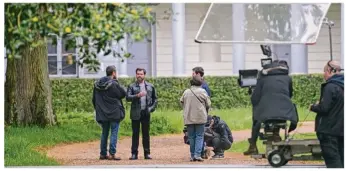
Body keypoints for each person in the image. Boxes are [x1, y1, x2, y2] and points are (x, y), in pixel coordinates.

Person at [243, 60, 298, 155]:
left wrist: (256, 103)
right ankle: (276, 134)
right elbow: (290, 94)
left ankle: (253, 145)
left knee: (257, 116)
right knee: (279, 111)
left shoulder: (262, 79)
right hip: (285, 112)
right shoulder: (288, 78)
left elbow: (255, 98)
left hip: (265, 113)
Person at [310, 60, 344, 168]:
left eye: (324, 71)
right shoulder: (342, 86)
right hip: (341, 129)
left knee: (333, 161)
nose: (323, 74)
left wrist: (313, 107)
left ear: (329, 70)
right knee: (341, 158)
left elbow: (324, 108)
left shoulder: (330, 87)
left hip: (328, 130)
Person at [92, 65, 127, 160]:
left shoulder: (97, 84)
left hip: (102, 113)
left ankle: (103, 154)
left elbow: (94, 100)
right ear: (114, 73)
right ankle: (112, 154)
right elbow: (123, 94)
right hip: (114, 113)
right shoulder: (114, 84)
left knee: (104, 133)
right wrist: (117, 81)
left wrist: (99, 110)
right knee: (114, 133)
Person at [126, 68, 158, 160]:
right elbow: (127, 98)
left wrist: (151, 109)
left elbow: (155, 99)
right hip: (135, 112)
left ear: (144, 75)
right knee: (135, 134)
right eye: (138, 74)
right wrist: (137, 95)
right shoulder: (131, 86)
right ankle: (134, 154)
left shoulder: (150, 86)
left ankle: (147, 153)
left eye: (141, 74)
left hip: (146, 113)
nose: (139, 75)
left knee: (146, 134)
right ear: (136, 75)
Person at [180, 75, 211, 162]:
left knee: (191, 137)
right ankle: (197, 155)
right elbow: (208, 104)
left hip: (189, 117)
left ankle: (192, 155)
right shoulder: (203, 92)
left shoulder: (186, 92)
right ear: (200, 82)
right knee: (199, 136)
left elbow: (181, 102)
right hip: (200, 117)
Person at [192, 66, 211, 158]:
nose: (192, 75)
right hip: (198, 113)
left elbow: (207, 102)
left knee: (199, 134)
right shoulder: (201, 84)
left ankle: (201, 152)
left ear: (198, 74)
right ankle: (199, 152)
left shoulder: (203, 86)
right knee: (197, 134)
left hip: (200, 114)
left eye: (193, 73)